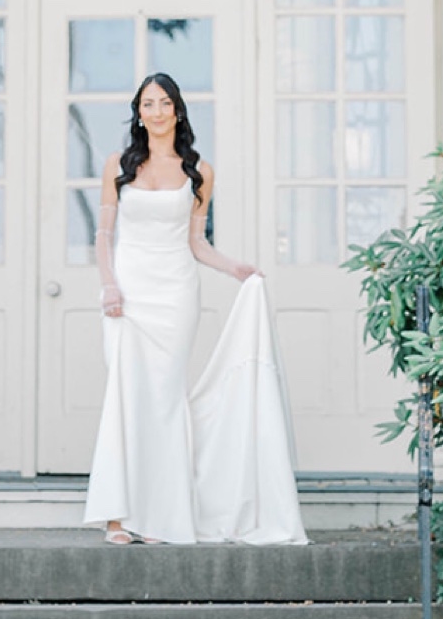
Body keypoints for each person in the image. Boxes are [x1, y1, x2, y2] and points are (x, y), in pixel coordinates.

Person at [83, 74, 306, 547]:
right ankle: (117, 515)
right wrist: (108, 285)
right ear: (138, 112)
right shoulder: (117, 166)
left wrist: (235, 269)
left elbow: (196, 242)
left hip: (176, 295)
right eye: (149, 103)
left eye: (166, 103)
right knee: (126, 394)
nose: (158, 111)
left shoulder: (200, 171)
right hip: (127, 293)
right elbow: (104, 235)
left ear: (178, 111)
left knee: (164, 402)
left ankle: (165, 513)